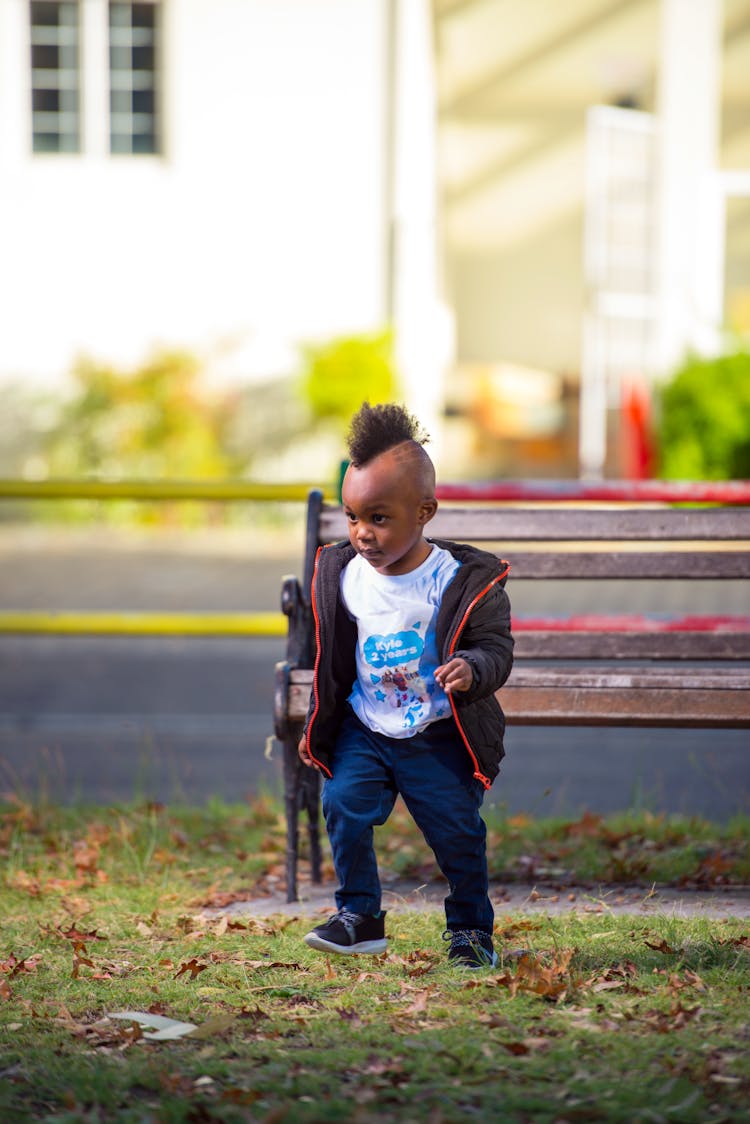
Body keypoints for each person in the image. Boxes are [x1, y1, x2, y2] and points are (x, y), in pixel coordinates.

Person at [298, 402, 513, 968]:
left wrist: (471, 669)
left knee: (458, 836)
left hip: (438, 731)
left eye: (379, 518)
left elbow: (497, 650)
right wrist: (318, 722)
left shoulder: (459, 582)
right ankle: (359, 917)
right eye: (352, 517)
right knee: (343, 802)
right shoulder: (341, 574)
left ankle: (470, 932)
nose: (362, 534)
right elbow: (331, 658)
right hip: (366, 726)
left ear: (425, 512)